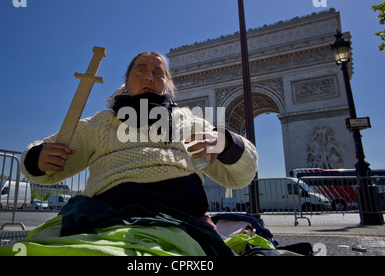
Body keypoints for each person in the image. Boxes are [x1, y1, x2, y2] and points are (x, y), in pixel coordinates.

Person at [20, 51, 258, 256]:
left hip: (179, 220)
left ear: (168, 83)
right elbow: (43, 161)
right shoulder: (98, 124)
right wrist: (39, 159)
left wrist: (226, 143)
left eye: (158, 72)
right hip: (102, 216)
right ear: (126, 81)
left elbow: (240, 176)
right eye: (140, 70)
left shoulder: (192, 122)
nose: (148, 77)